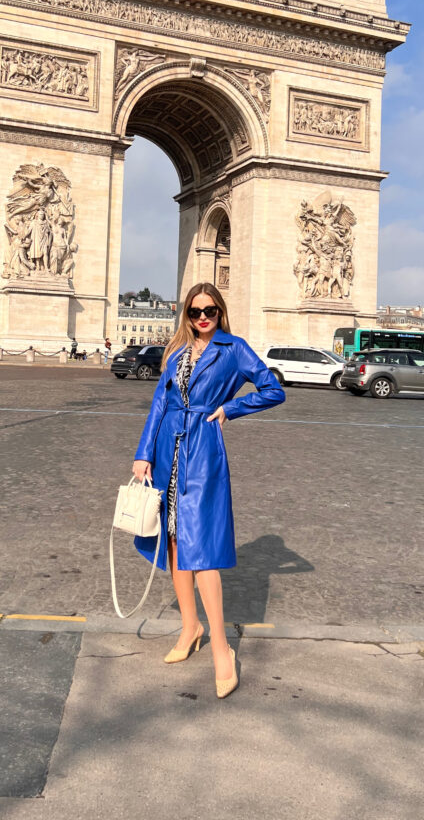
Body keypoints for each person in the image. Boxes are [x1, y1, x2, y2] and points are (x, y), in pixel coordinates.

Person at [132, 282, 285, 698]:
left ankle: (221, 649)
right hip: (167, 451)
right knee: (175, 542)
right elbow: (158, 405)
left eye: (210, 311)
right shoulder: (176, 353)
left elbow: (274, 390)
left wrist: (231, 408)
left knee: (202, 551)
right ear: (187, 313)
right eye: (195, 311)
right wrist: (143, 453)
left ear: (220, 312)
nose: (202, 317)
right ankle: (189, 628)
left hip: (202, 451)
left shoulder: (233, 349)